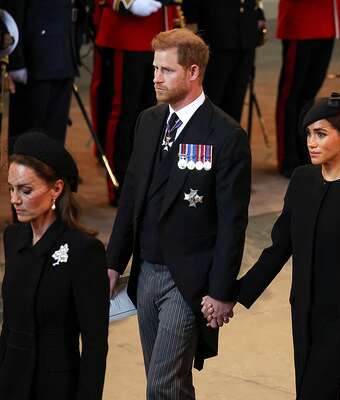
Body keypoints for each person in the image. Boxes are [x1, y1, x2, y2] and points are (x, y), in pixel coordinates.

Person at [204, 93, 340, 399]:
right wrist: (231, 295)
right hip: (304, 319)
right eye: (309, 133)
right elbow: (279, 249)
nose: (311, 142)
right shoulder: (302, 180)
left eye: (321, 134)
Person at [106, 28, 251, 399]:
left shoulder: (226, 135)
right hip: (145, 273)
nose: (155, 77)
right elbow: (132, 197)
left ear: (192, 72)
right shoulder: (149, 121)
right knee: (169, 381)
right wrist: (112, 264)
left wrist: (220, 291)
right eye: (155, 68)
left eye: (166, 70)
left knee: (162, 384)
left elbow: (232, 222)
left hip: (188, 281)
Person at [0, 131, 109, 400]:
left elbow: (95, 344)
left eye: (26, 191)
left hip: (56, 389)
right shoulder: (13, 238)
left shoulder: (84, 252)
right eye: (11, 189)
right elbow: (9, 325)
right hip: (10, 384)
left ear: (56, 189)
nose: (15, 200)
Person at [91, 0, 183, 205]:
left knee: (149, 115)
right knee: (124, 113)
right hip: (127, 32)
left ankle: (144, 180)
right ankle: (120, 183)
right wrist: (125, 3)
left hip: (159, 32)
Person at [4, 0, 87, 150]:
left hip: (65, 53)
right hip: (34, 59)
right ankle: (24, 173)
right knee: (28, 136)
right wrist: (15, 60)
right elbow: (12, 10)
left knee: (55, 134)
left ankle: (51, 172)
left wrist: (75, 42)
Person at [275, 0, 340, 177]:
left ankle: (305, 151)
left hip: (326, 22)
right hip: (302, 22)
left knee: (309, 96)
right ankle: (288, 156)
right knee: (291, 96)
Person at [183, 0, 266, 122]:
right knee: (210, 103)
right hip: (217, 39)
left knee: (235, 103)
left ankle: (230, 140)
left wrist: (259, 15)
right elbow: (190, 10)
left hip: (246, 38)